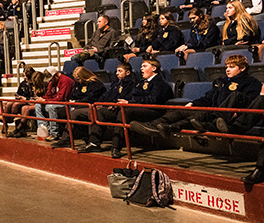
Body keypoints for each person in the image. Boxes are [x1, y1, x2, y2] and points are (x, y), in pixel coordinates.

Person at [131, 55, 261, 138]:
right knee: (180, 111)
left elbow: (250, 103)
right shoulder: (221, 81)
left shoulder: (252, 83)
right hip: (212, 110)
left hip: (222, 116)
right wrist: (194, 103)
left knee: (197, 117)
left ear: (242, 68)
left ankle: (169, 129)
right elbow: (208, 97)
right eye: (226, 67)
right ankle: (152, 126)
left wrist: (236, 114)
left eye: (232, 67)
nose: (227, 69)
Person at [80, 59, 173, 158]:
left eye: (145, 66)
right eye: (141, 66)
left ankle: (116, 147)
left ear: (154, 68)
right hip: (136, 107)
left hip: (152, 110)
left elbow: (152, 100)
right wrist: (119, 104)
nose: (141, 68)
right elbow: (134, 96)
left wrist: (129, 103)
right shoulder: (141, 82)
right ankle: (94, 143)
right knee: (102, 112)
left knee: (124, 112)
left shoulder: (160, 82)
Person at [52, 63, 135, 148]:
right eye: (117, 71)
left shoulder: (97, 84)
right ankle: (67, 139)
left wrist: (97, 104)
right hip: (99, 106)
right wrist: (98, 103)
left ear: (127, 72)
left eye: (120, 71)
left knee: (83, 113)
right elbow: (105, 96)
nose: (117, 73)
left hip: (108, 108)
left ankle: (93, 143)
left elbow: (93, 97)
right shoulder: (115, 83)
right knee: (68, 112)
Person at [35, 66, 75, 142]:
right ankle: (43, 130)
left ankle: (54, 133)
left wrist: (45, 100)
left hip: (66, 103)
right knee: (38, 105)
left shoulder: (66, 81)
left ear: (56, 75)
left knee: (50, 107)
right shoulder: (52, 81)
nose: (50, 81)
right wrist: (41, 99)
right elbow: (49, 94)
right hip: (55, 101)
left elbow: (61, 98)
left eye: (51, 79)